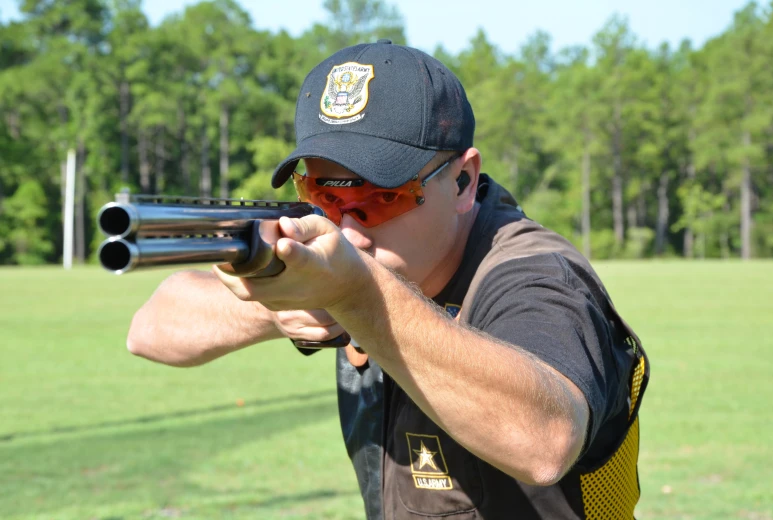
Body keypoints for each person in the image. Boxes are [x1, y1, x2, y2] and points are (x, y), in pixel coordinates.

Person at [127, 40, 649, 519]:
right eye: (326, 195)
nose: (348, 228)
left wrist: (361, 298)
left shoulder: (532, 273)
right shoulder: (357, 268)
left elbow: (546, 440)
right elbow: (150, 329)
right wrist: (280, 303)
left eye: (381, 198)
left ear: (463, 180)